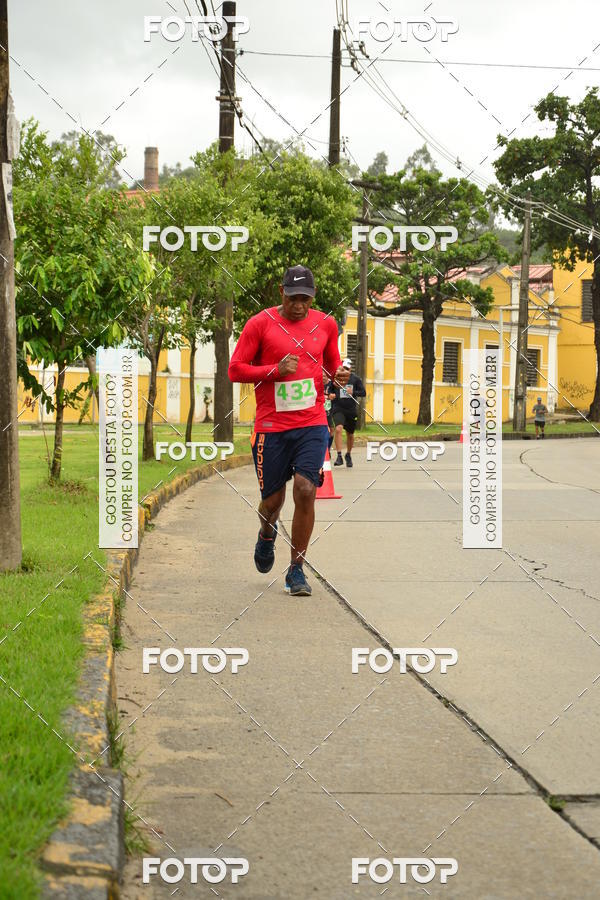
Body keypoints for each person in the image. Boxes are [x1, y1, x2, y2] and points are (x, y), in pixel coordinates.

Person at [228, 265, 350, 596]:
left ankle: (296, 569)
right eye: (294, 298)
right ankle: (267, 535)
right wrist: (274, 370)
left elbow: (331, 363)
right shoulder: (259, 324)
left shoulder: (325, 323)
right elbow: (235, 370)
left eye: (306, 299)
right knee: (273, 501)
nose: (299, 305)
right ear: (281, 293)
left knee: (306, 489)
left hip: (310, 422)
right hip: (271, 426)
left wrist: (337, 375)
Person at [327, 358, 366, 467]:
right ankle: (339, 456)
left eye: (347, 368)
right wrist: (330, 395)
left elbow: (363, 392)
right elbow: (329, 391)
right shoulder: (335, 379)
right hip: (338, 408)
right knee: (338, 429)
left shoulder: (356, 379)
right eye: (344, 368)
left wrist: (353, 392)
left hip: (351, 410)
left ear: (350, 368)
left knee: (350, 434)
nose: (345, 370)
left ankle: (348, 454)